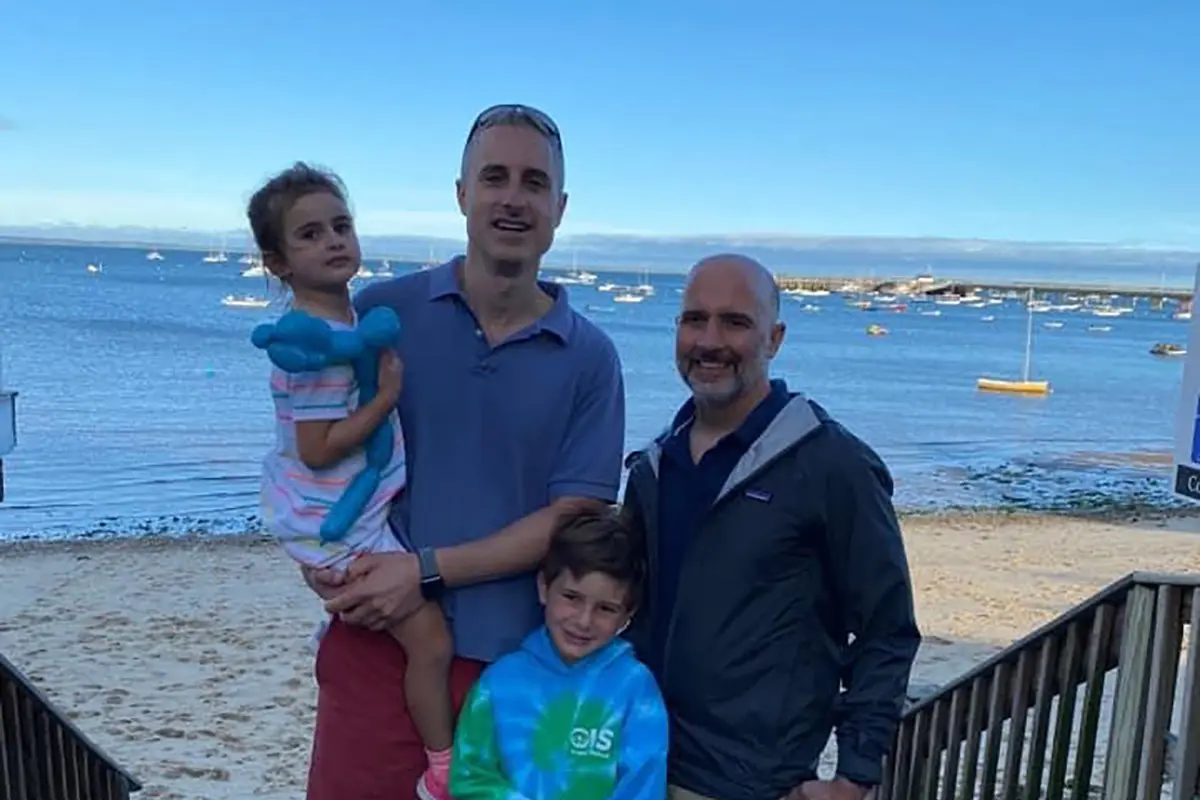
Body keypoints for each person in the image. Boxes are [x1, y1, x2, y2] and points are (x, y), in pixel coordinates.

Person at [302, 104, 626, 800]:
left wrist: (423, 571)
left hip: (515, 669)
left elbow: (574, 516)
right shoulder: (384, 314)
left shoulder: (591, 358)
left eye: (534, 182)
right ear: (461, 194)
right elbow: (313, 448)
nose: (513, 198)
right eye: (494, 177)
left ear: (560, 207)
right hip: (375, 646)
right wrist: (316, 556)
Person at [621, 254, 921, 800]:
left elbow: (887, 628)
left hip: (749, 783)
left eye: (735, 322)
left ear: (774, 339)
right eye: (695, 319)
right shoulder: (653, 465)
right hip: (630, 764)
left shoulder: (831, 464)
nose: (710, 341)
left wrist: (854, 775)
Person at [247, 163, 458, 800]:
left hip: (346, 509)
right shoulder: (315, 349)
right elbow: (317, 449)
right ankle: (443, 767)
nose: (334, 241)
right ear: (278, 262)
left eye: (341, 226)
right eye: (310, 234)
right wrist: (386, 398)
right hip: (339, 519)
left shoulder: (346, 322)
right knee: (432, 643)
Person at [450, 509, 669, 800]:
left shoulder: (636, 687)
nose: (584, 621)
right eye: (571, 598)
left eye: (605, 608)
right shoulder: (499, 681)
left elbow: (644, 787)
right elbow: (468, 778)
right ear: (544, 587)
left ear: (628, 615)